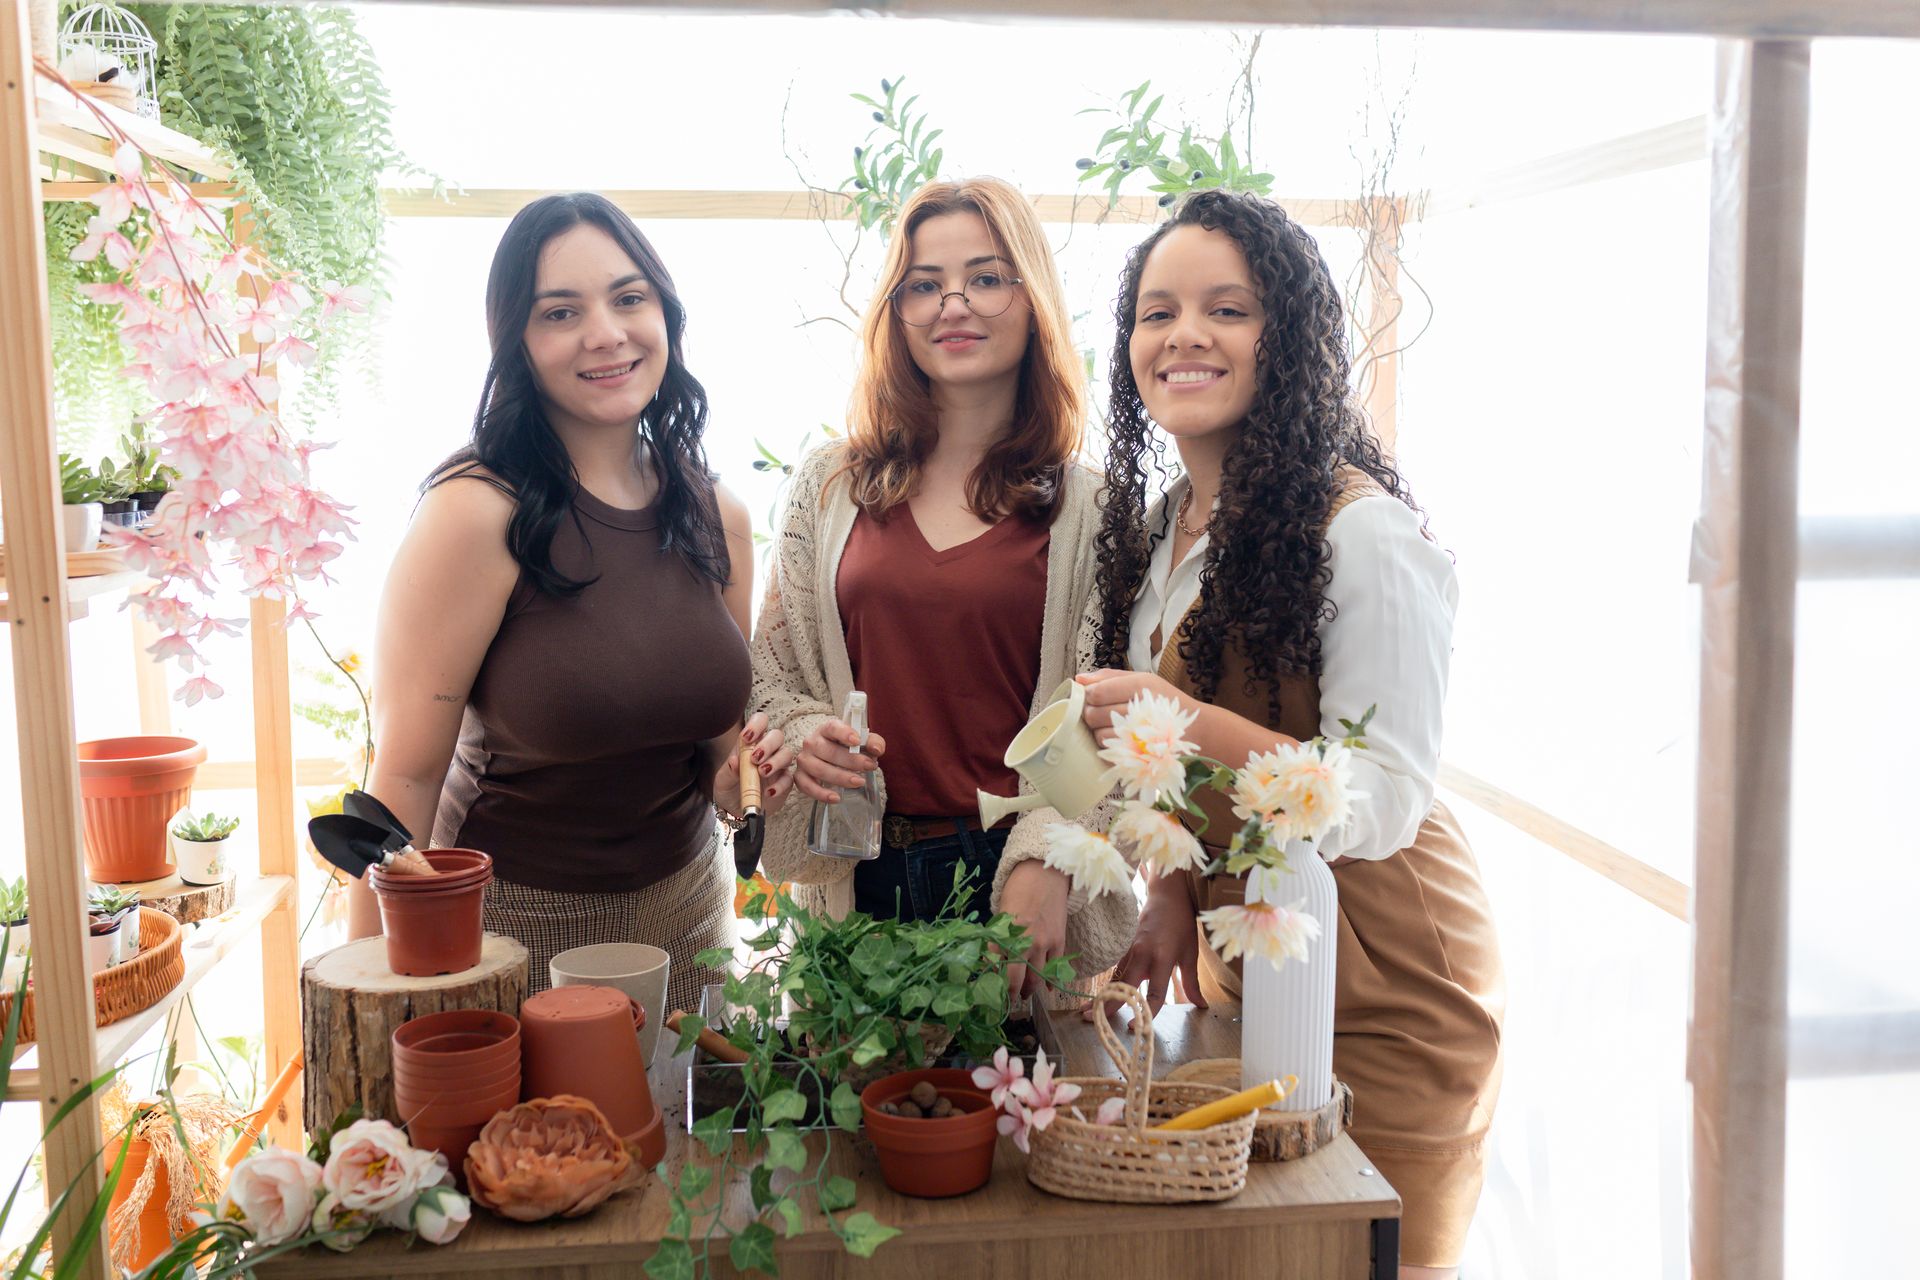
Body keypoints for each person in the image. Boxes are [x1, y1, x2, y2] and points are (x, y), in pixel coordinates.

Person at [1079, 189, 1504, 1278]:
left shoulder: (1363, 531)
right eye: (1158, 311)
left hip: (1387, 989)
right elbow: (1176, 769)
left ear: (1292, 337)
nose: (1185, 335)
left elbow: (1388, 796)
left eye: (1228, 309)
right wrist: (1172, 890)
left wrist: (1184, 718)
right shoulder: (1163, 529)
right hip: (1257, 969)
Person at [354, 192, 795, 1010]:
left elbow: (713, 747)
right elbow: (404, 781)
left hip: (690, 918)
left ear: (665, 316)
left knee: (691, 1100)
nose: (605, 333)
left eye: (629, 298)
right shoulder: (474, 513)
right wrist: (367, 1006)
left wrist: (746, 775)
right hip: (508, 929)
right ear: (517, 341)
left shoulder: (716, 513)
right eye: (561, 312)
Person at [748, 177, 1133, 999]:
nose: (953, 304)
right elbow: (769, 679)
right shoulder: (827, 486)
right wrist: (807, 735)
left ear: (1034, 299)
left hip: (1016, 879)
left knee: (1025, 1085)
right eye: (924, 285)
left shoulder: (1095, 510)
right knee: (845, 1082)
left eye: (986, 278)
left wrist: (1050, 854)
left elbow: (1114, 727)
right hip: (856, 876)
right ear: (896, 311)